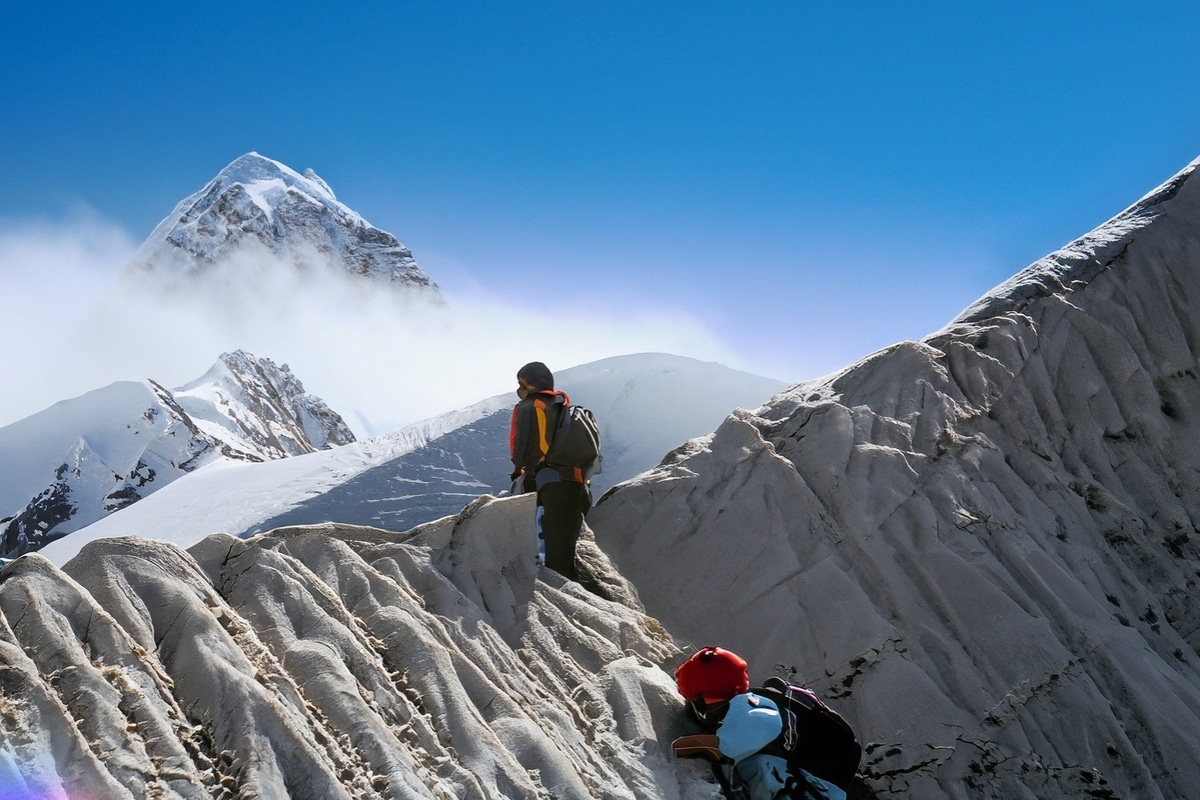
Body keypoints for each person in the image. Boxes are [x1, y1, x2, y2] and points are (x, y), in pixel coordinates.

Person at [509, 361, 590, 580]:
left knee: (550, 567)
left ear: (532, 385)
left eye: (522, 384)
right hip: (577, 485)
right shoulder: (564, 406)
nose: (519, 389)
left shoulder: (530, 405)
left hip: (547, 487)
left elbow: (521, 451)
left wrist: (519, 471)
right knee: (567, 560)